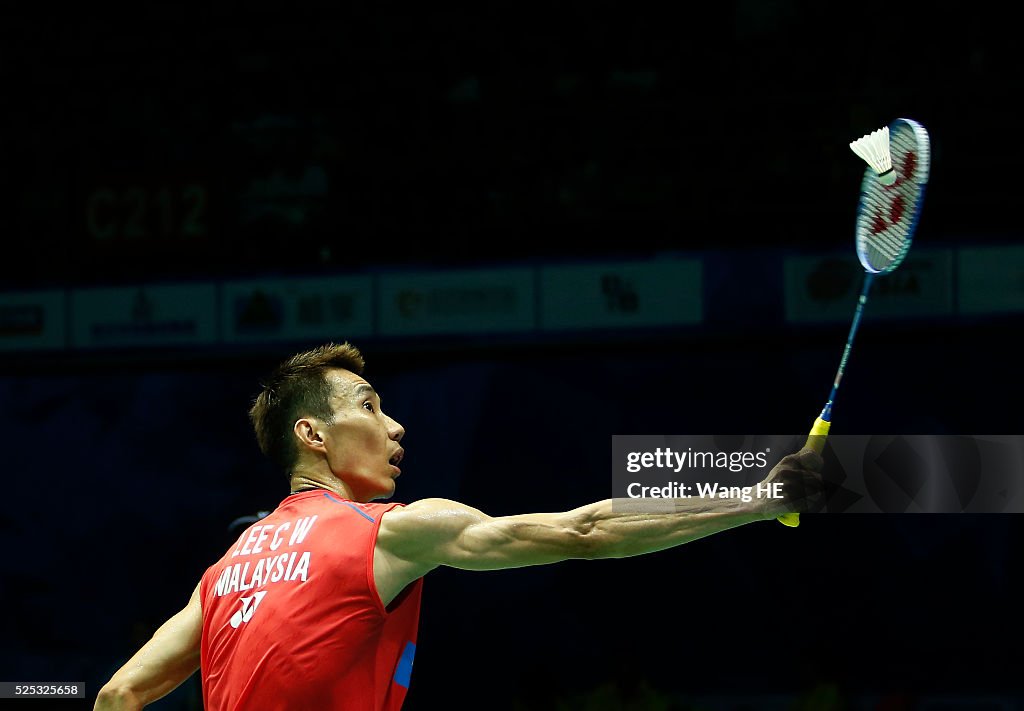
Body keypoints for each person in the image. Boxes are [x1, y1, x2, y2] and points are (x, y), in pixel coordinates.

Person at [94, 342, 823, 710]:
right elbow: (583, 532)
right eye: (373, 407)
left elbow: (119, 696)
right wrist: (758, 496)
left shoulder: (224, 572)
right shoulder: (386, 530)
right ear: (313, 433)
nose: (397, 426)